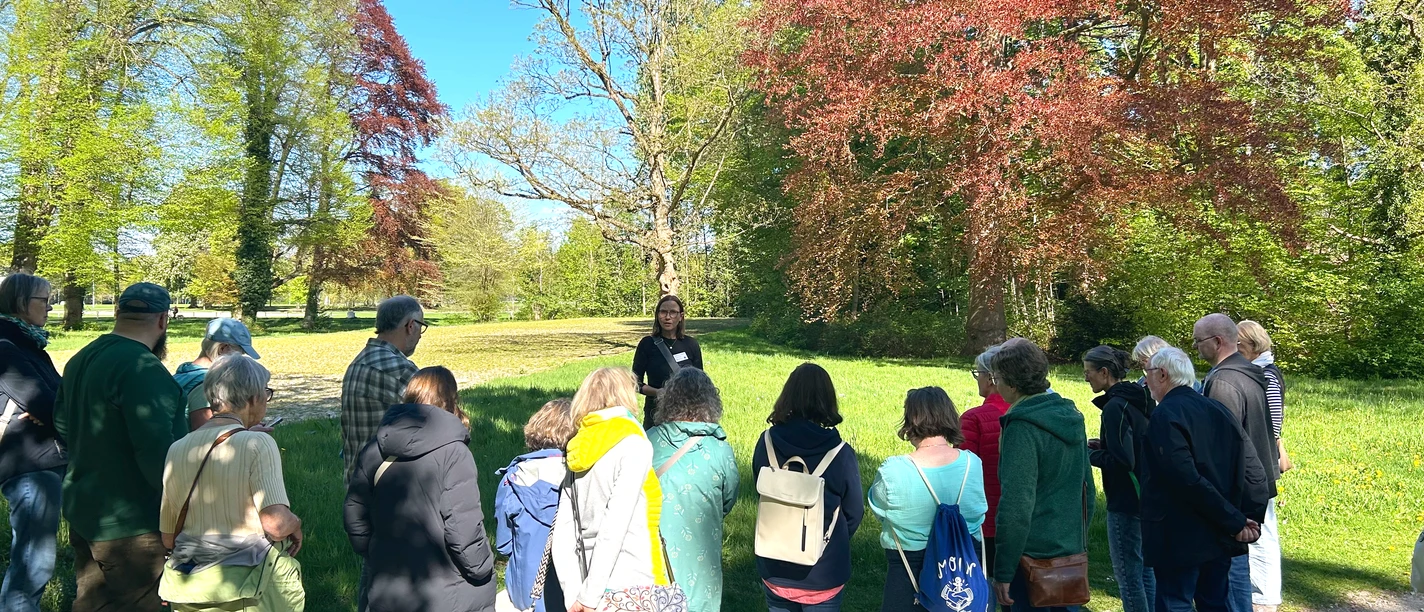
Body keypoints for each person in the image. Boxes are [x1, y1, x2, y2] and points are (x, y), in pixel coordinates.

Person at [53, 282, 188, 611]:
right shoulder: (143, 368)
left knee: (91, 601)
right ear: (162, 320)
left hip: (85, 509)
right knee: (141, 603)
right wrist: (183, 510)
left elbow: (62, 425)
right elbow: (157, 452)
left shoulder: (82, 358)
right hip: (132, 523)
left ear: (118, 313)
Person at [158, 355, 304, 611]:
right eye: (266, 393)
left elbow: (169, 537)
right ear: (253, 398)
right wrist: (296, 524)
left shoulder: (177, 449)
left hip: (190, 588)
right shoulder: (258, 443)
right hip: (247, 587)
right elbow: (277, 525)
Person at [345, 366, 495, 612]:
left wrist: (376, 553)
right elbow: (463, 527)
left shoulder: (375, 449)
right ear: (452, 401)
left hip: (388, 586)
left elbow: (354, 512)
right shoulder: (455, 453)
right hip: (446, 590)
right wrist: (483, 568)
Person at [1140, 347, 1268, 612]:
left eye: (1147, 372)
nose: (1145, 380)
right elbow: (1253, 469)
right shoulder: (1217, 409)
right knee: (1214, 602)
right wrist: (1246, 517)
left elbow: (1184, 478)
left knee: (1175, 603)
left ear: (1162, 374)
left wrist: (1238, 520)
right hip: (1218, 531)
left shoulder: (1165, 415)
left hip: (1179, 534)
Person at [552, 367, 672, 611]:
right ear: (625, 395)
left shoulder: (577, 447)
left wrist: (574, 594)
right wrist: (590, 595)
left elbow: (564, 530)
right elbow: (615, 525)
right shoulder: (633, 444)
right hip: (633, 583)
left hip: (585, 578)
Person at [990, 338, 1095, 612]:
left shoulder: (1022, 427)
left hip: (1031, 561)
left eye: (996, 378)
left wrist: (1003, 570)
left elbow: (1016, 505)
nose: (995, 385)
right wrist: (1076, 542)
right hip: (1069, 555)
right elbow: (1088, 490)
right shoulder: (1070, 415)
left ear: (1013, 384)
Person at [752, 363, 863, 612]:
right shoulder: (840, 453)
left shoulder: (766, 442)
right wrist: (828, 538)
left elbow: (759, 488)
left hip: (774, 565)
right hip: (823, 571)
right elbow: (854, 512)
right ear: (828, 400)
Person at [870, 387, 987, 612]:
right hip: (965, 565)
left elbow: (879, 510)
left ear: (910, 420)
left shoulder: (893, 470)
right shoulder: (973, 464)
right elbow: (977, 511)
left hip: (909, 570)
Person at [1193, 313, 1279, 612]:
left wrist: (1214, 499)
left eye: (1198, 341)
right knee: (1237, 568)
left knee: (1229, 574)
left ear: (1217, 341)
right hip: (1253, 480)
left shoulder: (1223, 381)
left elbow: (1222, 446)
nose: (1195, 347)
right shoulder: (1247, 371)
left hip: (1234, 487)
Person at [647, 368, 740, 612]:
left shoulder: (648, 440)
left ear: (668, 400)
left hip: (652, 559)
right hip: (702, 560)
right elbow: (728, 499)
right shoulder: (720, 450)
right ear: (710, 402)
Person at [0, 274, 66, 611]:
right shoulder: (6, 347)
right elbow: (47, 403)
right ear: (20, 302)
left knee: (36, 560)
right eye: (44, 300)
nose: (50, 307)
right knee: (32, 563)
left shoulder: (29, 344)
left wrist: (52, 408)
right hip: (29, 466)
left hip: (45, 458)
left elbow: (60, 398)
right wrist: (50, 408)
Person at [1083, 346, 1155, 612]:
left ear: (1104, 372)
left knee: (1128, 575)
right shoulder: (1136, 398)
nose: (1085, 377)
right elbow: (1134, 445)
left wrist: (1088, 455)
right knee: (1145, 571)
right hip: (1145, 495)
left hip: (1126, 500)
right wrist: (1104, 446)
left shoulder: (1114, 407)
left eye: (1088, 372)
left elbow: (1124, 461)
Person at [494, 398, 576, 612]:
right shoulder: (584, 478)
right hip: (575, 592)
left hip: (528, 591)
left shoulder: (514, 478)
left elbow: (503, 544)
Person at [340, 295, 425, 483]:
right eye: (421, 326)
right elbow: (438, 424)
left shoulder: (358, 362)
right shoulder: (400, 369)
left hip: (356, 483)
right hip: (391, 486)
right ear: (411, 326)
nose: (420, 335)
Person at [1235, 320, 1288, 612]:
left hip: (1260, 463)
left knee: (1262, 529)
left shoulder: (1267, 375)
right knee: (1258, 526)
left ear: (1253, 345)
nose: (1236, 350)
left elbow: (1274, 423)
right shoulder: (1259, 371)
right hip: (1259, 461)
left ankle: (1266, 595)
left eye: (1240, 345)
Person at [960, 343, 1007, 575]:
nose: (977, 379)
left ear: (990, 378)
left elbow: (962, 475)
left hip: (985, 518)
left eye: (978, 373)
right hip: (1027, 518)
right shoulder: (1029, 413)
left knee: (983, 582)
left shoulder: (973, 419)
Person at [174, 317, 261, 430]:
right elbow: (206, 434)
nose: (240, 360)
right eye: (239, 354)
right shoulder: (205, 384)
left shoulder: (185, 372)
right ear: (222, 348)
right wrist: (248, 433)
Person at [632, 295, 703, 429]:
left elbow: (700, 383)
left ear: (681, 316)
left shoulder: (691, 344)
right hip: (656, 411)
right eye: (663, 312)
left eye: (673, 312)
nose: (667, 317)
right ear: (657, 315)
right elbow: (635, 383)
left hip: (686, 413)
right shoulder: (647, 344)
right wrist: (659, 393)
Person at [1132, 336, 1202, 393]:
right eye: (1141, 363)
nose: (1144, 366)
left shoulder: (1186, 383)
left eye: (1145, 361)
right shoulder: (1142, 382)